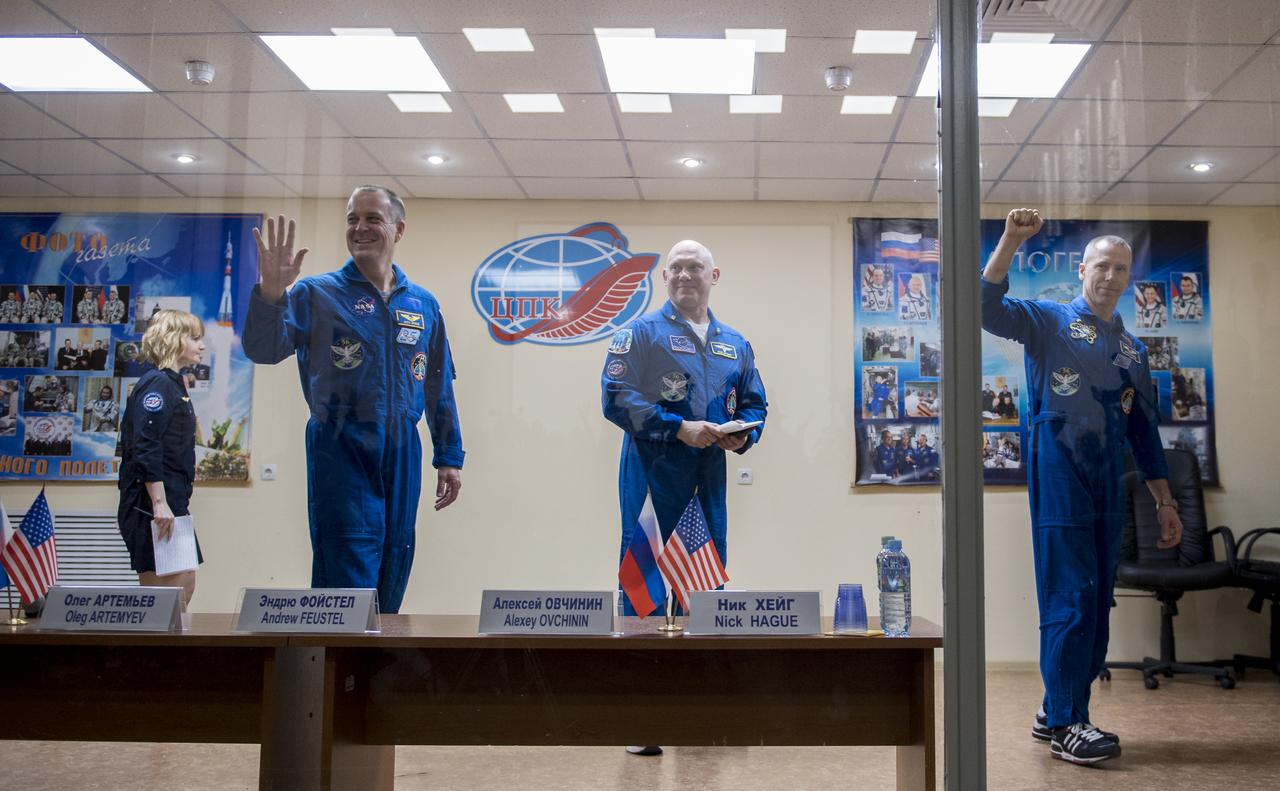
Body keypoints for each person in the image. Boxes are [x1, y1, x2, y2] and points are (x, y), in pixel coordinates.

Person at [982, 208, 1183, 766]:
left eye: (1120, 269)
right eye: (1101, 266)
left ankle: (1056, 707)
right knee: (1070, 596)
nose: (1110, 277)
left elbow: (1144, 435)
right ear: (1082, 270)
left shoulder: (1133, 351)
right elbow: (985, 306)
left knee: (1095, 601)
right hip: (1060, 471)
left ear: (1128, 277)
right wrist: (1010, 239)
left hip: (1107, 480)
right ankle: (1070, 724)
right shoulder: (1047, 321)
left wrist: (1165, 502)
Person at [243, 185, 464, 615]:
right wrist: (271, 295)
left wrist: (449, 456)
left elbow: (438, 384)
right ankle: (341, 656)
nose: (360, 228)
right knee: (347, 567)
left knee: (395, 556)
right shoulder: (317, 294)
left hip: (402, 447)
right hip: (340, 443)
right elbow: (264, 349)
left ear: (398, 229)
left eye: (372, 219)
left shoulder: (423, 304)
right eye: (352, 219)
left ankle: (376, 656)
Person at [602, 238, 768, 615]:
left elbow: (754, 403)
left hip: (707, 476)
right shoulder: (640, 333)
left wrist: (743, 435)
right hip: (651, 473)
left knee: (704, 587)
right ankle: (643, 651)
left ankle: (701, 653)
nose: (684, 275)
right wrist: (679, 428)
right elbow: (615, 399)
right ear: (664, 276)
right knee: (645, 585)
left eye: (694, 267)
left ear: (714, 275)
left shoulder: (735, 344)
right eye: (676, 268)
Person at [116, 309, 206, 605]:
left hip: (174, 501)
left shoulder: (174, 384)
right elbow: (146, 444)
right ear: (173, 339)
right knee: (164, 601)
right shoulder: (157, 384)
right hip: (152, 504)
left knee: (185, 585)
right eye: (195, 338)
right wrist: (158, 503)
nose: (202, 345)